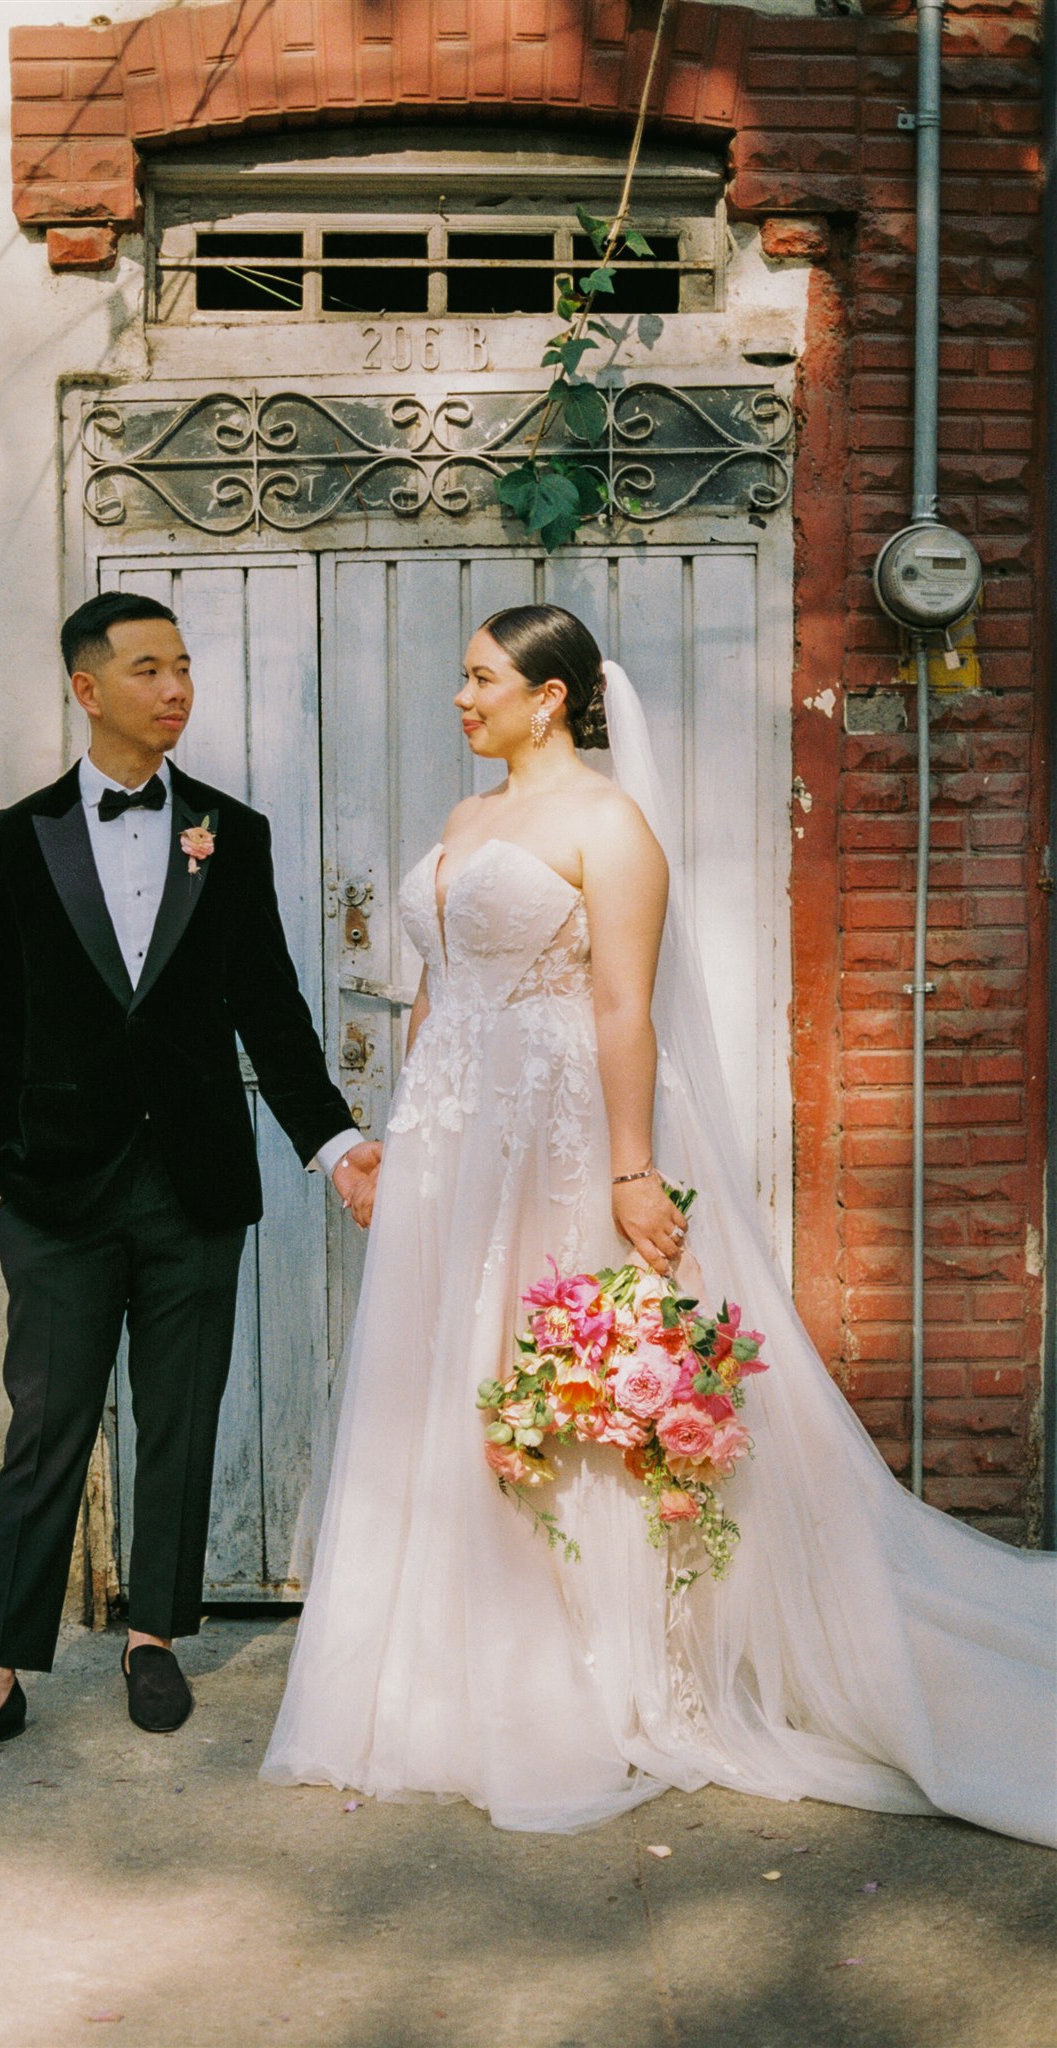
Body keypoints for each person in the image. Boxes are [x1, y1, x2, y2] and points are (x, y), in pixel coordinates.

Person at [262, 603, 1056, 1847]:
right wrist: (405, 1141)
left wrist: (633, 1172)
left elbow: (624, 1007)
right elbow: (436, 992)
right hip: (456, 1136)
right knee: (440, 1376)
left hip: (563, 1134)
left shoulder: (609, 826)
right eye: (461, 677)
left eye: (480, 679)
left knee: (549, 1366)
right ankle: (437, 1661)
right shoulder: (467, 821)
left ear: (552, 696)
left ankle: (596, 1661)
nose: (461, 699)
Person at [0, 593, 379, 1780]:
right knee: (47, 1421)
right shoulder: (10, 840)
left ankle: (153, 1632)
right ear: (86, 688)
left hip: (193, 1180)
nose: (175, 688)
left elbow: (268, 1001)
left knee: (178, 1413)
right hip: (57, 1186)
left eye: (184, 666)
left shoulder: (231, 830)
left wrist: (333, 1141)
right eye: (148, 667)